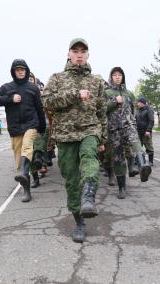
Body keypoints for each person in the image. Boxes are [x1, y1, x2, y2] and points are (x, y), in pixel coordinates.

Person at [42, 38, 107, 243]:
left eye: (83, 51)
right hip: (65, 134)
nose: (79, 54)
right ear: (69, 54)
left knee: (89, 157)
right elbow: (47, 102)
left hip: (90, 129)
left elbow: (102, 112)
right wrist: (74, 95)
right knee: (70, 178)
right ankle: (79, 220)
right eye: (75, 50)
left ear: (88, 55)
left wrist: (102, 137)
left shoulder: (97, 81)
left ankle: (89, 197)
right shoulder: (57, 78)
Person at [0, 59, 46, 202]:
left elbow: (39, 109)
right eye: (17, 69)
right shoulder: (7, 87)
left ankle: (25, 173)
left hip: (31, 125)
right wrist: (10, 98)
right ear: (13, 72)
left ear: (26, 71)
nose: (20, 71)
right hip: (15, 128)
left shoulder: (33, 88)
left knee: (27, 147)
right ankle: (26, 190)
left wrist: (42, 128)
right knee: (19, 163)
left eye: (22, 69)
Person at [106, 67, 152, 199]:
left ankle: (143, 166)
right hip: (114, 129)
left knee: (135, 140)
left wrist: (132, 120)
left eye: (119, 75)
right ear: (111, 77)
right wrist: (115, 101)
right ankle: (122, 188)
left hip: (128, 124)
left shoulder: (129, 94)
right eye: (114, 75)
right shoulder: (107, 93)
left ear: (123, 77)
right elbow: (102, 110)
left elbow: (133, 110)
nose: (117, 77)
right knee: (119, 158)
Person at [135, 96, 155, 166]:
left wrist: (148, 130)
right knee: (138, 147)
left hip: (146, 132)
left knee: (149, 147)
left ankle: (150, 161)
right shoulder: (138, 110)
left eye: (138, 102)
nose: (137, 104)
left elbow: (151, 121)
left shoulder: (149, 110)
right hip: (138, 132)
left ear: (142, 103)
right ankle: (138, 161)